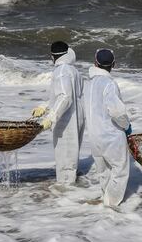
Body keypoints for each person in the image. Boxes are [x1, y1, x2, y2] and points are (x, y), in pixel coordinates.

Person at [83, 49, 132, 207]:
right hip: (110, 136)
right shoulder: (109, 84)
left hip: (94, 136)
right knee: (120, 169)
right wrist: (127, 126)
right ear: (114, 65)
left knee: (103, 172)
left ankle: (105, 201)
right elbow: (117, 112)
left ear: (95, 63)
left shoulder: (88, 84)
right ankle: (111, 206)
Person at [31, 41, 85, 184]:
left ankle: (65, 196)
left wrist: (51, 117)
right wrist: (45, 107)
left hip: (66, 122)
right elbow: (63, 96)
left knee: (66, 160)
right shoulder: (73, 70)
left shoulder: (61, 71)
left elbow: (65, 97)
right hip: (76, 117)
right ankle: (73, 191)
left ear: (53, 56)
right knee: (71, 159)